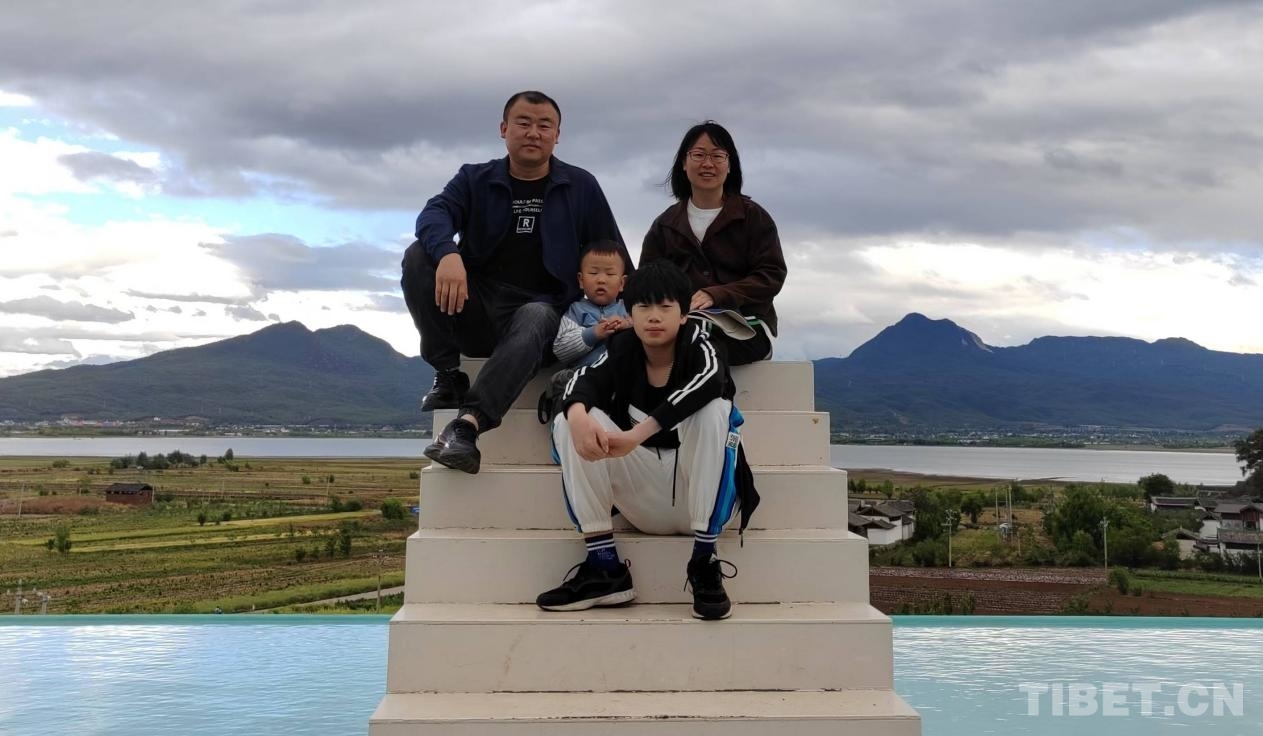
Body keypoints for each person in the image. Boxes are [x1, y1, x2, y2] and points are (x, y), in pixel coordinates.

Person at [401, 90, 625, 474]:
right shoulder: (474, 178)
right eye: (523, 123)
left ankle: (467, 426)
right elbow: (433, 214)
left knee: (536, 314)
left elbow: (613, 255)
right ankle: (448, 374)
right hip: (477, 309)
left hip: (546, 316)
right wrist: (449, 255)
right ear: (504, 129)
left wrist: (634, 316)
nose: (533, 133)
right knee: (419, 256)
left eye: (544, 125)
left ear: (557, 135)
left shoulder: (580, 186)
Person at [536, 260, 759, 621]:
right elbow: (583, 380)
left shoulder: (702, 344)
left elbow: (710, 381)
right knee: (571, 418)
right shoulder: (622, 348)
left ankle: (705, 562)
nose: (654, 316)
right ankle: (604, 567)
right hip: (644, 502)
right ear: (630, 313)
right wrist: (576, 415)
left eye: (665, 307)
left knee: (714, 409)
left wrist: (636, 435)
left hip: (701, 497)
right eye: (644, 307)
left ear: (683, 314)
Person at [640, 121, 787, 366]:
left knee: (698, 346)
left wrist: (718, 294)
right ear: (684, 163)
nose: (708, 164)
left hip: (745, 327)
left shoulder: (753, 217)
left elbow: (771, 275)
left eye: (717, 156)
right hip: (681, 324)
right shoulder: (665, 225)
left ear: (730, 165)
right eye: (698, 155)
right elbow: (647, 281)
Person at [552, 239, 631, 369]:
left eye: (610, 273)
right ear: (581, 280)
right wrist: (594, 333)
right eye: (593, 273)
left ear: (622, 283)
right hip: (585, 373)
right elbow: (561, 349)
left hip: (622, 371)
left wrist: (627, 326)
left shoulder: (629, 309)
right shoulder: (576, 310)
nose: (601, 280)